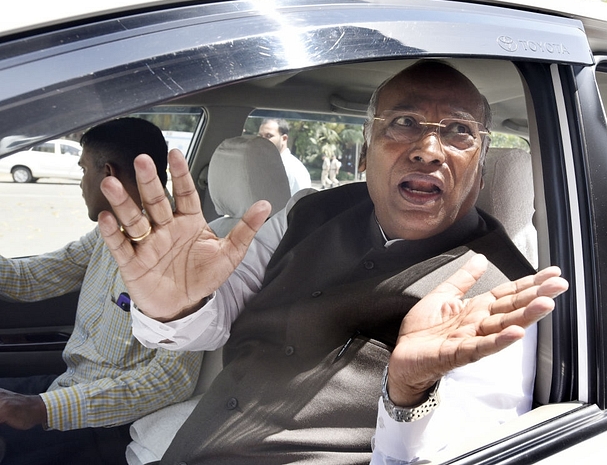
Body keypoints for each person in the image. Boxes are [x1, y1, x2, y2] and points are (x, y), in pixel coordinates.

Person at [97, 61, 568, 464]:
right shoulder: (305, 212)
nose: (428, 149)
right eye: (403, 122)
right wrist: (176, 306)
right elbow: (214, 322)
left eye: (460, 131)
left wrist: (408, 392)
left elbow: (455, 454)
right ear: (364, 150)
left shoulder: (503, 296)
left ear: (481, 165)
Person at [0, 118, 203, 465]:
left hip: (106, 426)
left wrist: (41, 409)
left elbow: (172, 378)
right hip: (68, 386)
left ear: (108, 173)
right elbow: (31, 278)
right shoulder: (111, 232)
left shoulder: (181, 253)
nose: (81, 183)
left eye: (83, 170)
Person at [258, 118, 312, 194]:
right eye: (260, 136)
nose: (262, 141)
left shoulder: (293, 169)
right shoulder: (265, 165)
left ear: (284, 139)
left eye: (268, 136)